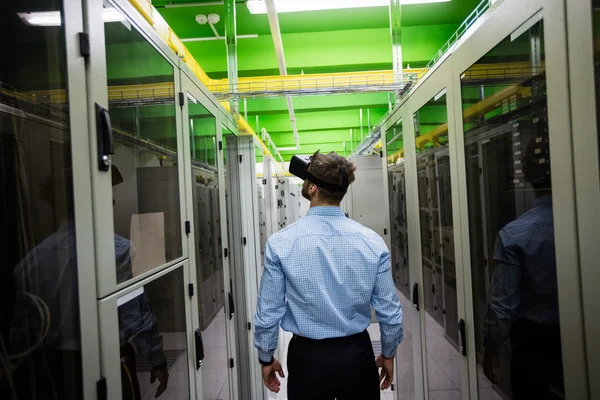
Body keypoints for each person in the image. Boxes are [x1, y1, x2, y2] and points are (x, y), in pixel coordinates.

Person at [9, 165, 169, 400]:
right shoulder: (118, 250)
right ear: (94, 200)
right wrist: (157, 360)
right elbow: (136, 315)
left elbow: (21, 336)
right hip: (109, 362)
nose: (112, 201)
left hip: (56, 371)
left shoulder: (31, 261)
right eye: (107, 194)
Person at [254, 151, 403, 400]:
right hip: (357, 355)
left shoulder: (281, 243)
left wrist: (266, 356)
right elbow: (390, 310)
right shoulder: (372, 242)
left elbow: (268, 311)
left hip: (307, 360)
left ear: (312, 188)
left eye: (305, 180)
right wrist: (388, 354)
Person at [483, 135, 563, 399]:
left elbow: (502, 305)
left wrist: (491, 347)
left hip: (534, 344)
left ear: (526, 175)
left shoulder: (515, 234)